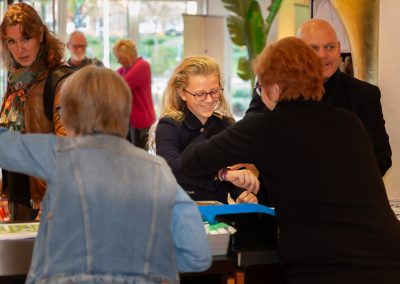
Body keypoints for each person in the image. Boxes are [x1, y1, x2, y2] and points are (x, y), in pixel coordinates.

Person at [181, 37, 400, 283]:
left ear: (274, 88)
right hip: (389, 258)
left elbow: (190, 161)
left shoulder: (266, 126)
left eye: (260, 87)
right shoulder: (350, 122)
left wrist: (206, 122)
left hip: (326, 266)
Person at [0, 65, 212, 283]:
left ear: (70, 114)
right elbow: (198, 256)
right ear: (124, 113)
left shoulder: (59, 155)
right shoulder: (159, 171)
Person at [246, 19, 392, 176]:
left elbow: (381, 157)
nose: (323, 55)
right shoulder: (274, 88)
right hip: (279, 193)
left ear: (339, 48)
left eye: (330, 47)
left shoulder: (364, 94)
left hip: (343, 196)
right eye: (313, 49)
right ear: (298, 54)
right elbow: (249, 136)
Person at [148, 56, 259, 204]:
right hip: (179, 212)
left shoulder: (225, 124)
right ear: (182, 93)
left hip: (218, 215)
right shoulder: (169, 126)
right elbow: (172, 167)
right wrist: (221, 175)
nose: (209, 100)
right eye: (200, 94)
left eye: (214, 91)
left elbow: (232, 170)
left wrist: (241, 193)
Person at [0, 2, 69, 220]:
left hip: (49, 205)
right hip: (19, 200)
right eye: (12, 41)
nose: (20, 49)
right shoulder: (16, 81)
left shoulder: (59, 81)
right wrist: (6, 191)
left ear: (40, 35)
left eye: (26, 38)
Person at [113, 39, 156, 149]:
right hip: (130, 122)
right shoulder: (124, 70)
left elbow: (121, 86)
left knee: (140, 157)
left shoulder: (143, 66)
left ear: (129, 55)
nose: (119, 62)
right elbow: (110, 79)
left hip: (142, 122)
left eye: (121, 58)